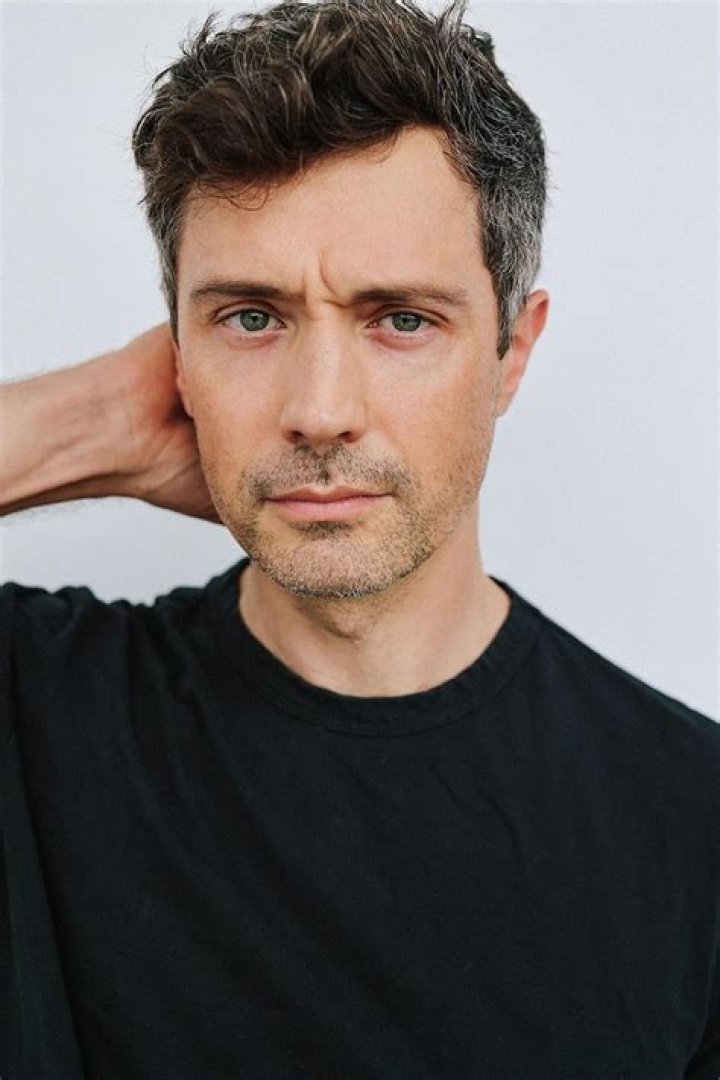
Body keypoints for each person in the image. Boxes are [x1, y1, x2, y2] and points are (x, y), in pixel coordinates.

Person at [1, 0, 717, 1075]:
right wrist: (92, 421)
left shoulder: (692, 821)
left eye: (402, 320)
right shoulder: (31, 703)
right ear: (176, 352)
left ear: (513, 352)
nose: (321, 411)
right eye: (251, 317)